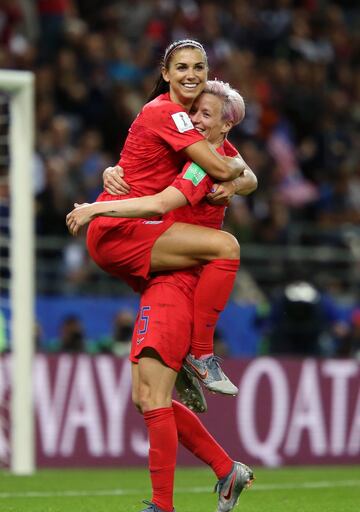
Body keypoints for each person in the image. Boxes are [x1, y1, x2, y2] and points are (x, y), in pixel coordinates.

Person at [67, 78, 256, 512]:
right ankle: (226, 470)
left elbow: (163, 202)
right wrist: (111, 174)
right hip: (165, 275)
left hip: (178, 280)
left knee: (151, 395)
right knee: (146, 396)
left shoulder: (206, 164)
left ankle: (163, 506)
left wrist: (97, 207)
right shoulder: (197, 153)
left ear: (224, 128)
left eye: (205, 115)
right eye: (194, 113)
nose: (193, 119)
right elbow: (242, 173)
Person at [67, 38, 247, 396]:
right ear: (165, 73)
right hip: (130, 229)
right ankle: (200, 355)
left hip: (157, 241)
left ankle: (188, 366)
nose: (191, 74)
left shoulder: (195, 133)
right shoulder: (172, 117)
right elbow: (168, 197)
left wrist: (241, 176)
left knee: (148, 399)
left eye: (199, 68)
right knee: (227, 247)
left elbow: (238, 171)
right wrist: (236, 171)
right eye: (182, 67)